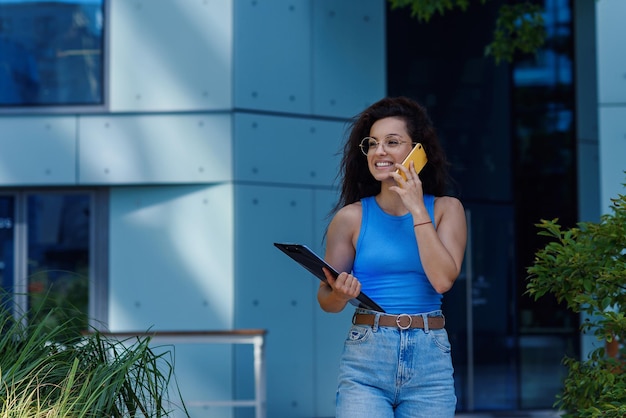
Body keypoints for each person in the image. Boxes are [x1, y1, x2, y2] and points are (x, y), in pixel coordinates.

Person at [318, 96, 467, 417]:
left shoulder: (446, 210)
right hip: (367, 355)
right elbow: (326, 301)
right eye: (372, 144)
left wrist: (416, 207)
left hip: (430, 357)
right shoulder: (350, 218)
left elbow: (442, 280)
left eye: (392, 142)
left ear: (419, 152)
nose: (379, 151)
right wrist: (340, 295)